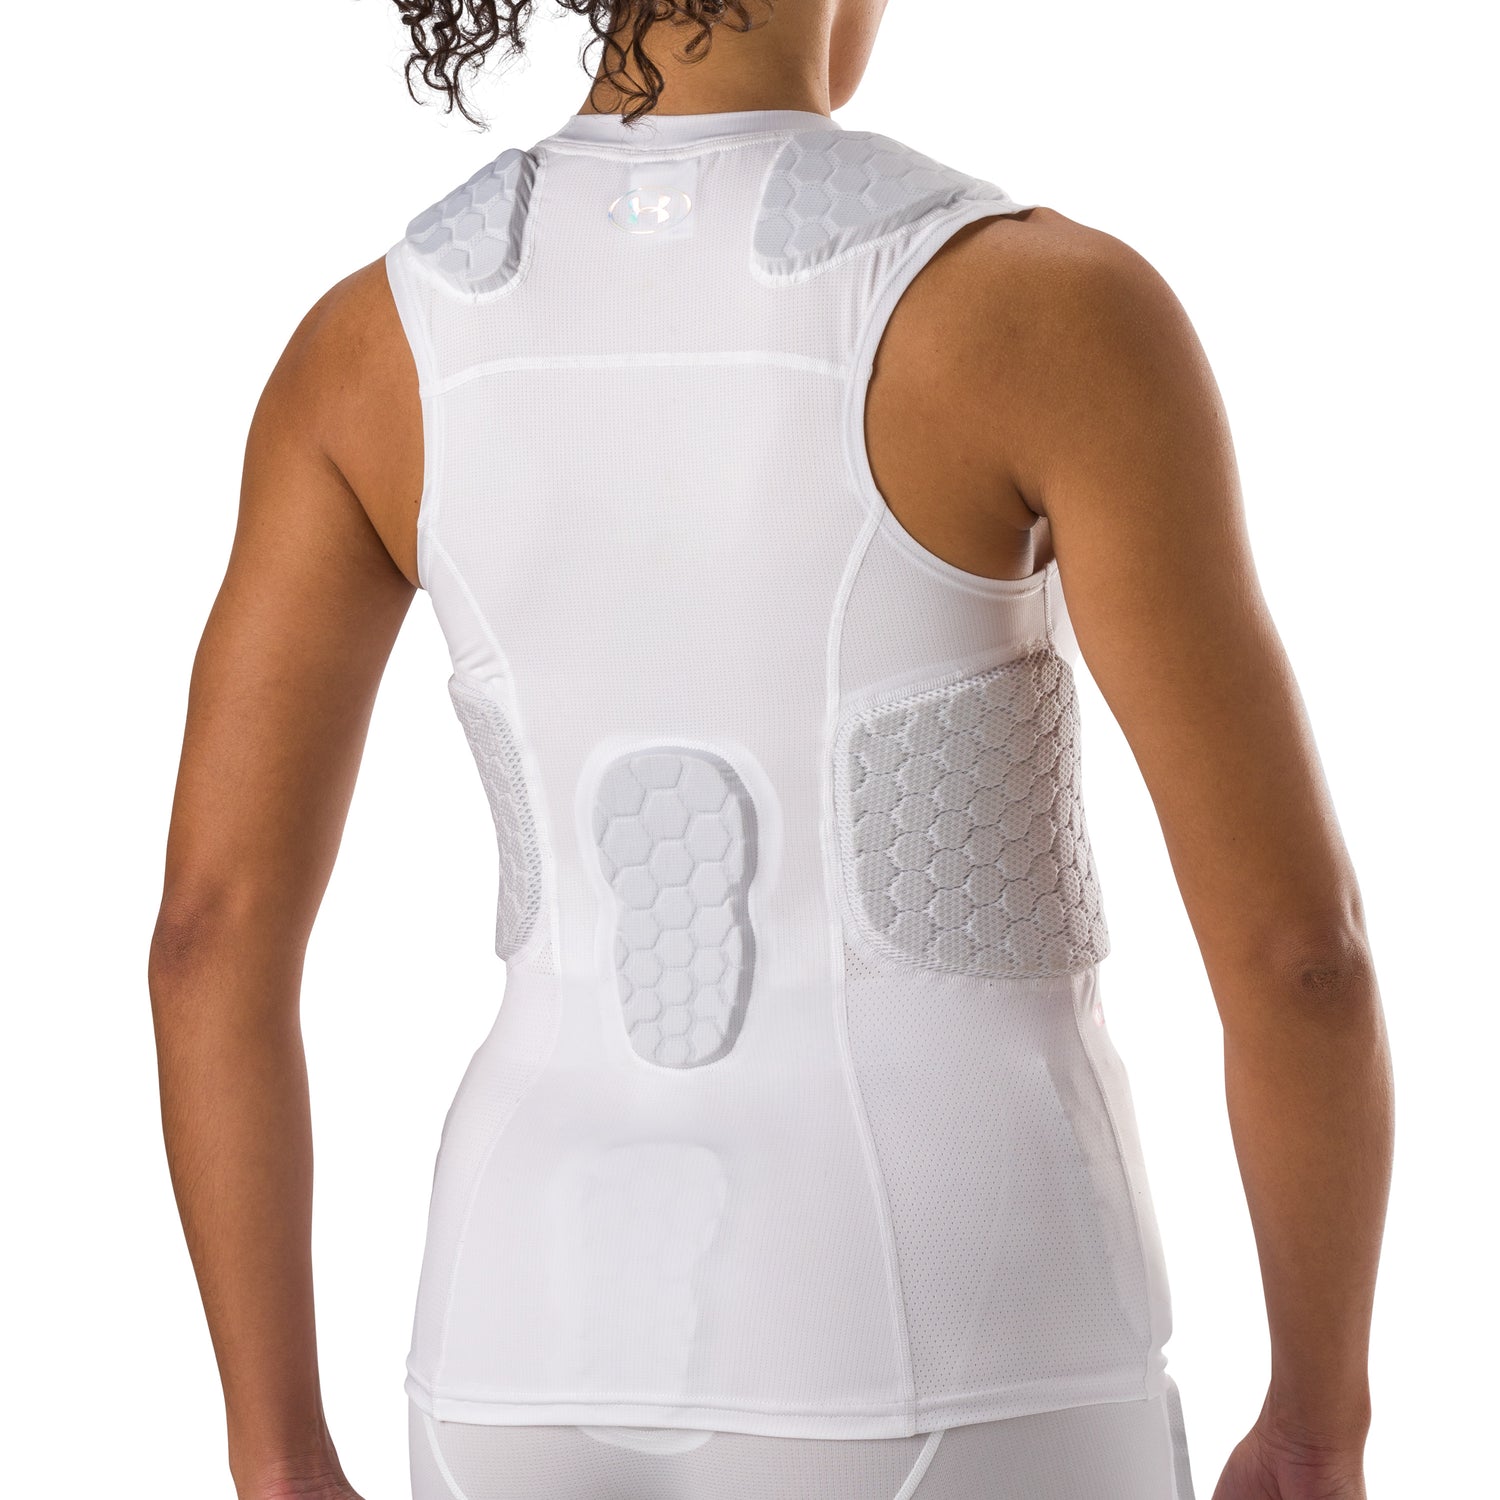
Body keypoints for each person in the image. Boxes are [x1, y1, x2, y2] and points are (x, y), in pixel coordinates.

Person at [146, 3, 1395, 1498]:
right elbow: (1297, 954)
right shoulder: (1039, 308)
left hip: (512, 1333)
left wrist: (277, 1452)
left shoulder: (374, 342)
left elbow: (207, 938)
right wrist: (1318, 1420)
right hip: (951, 1331)